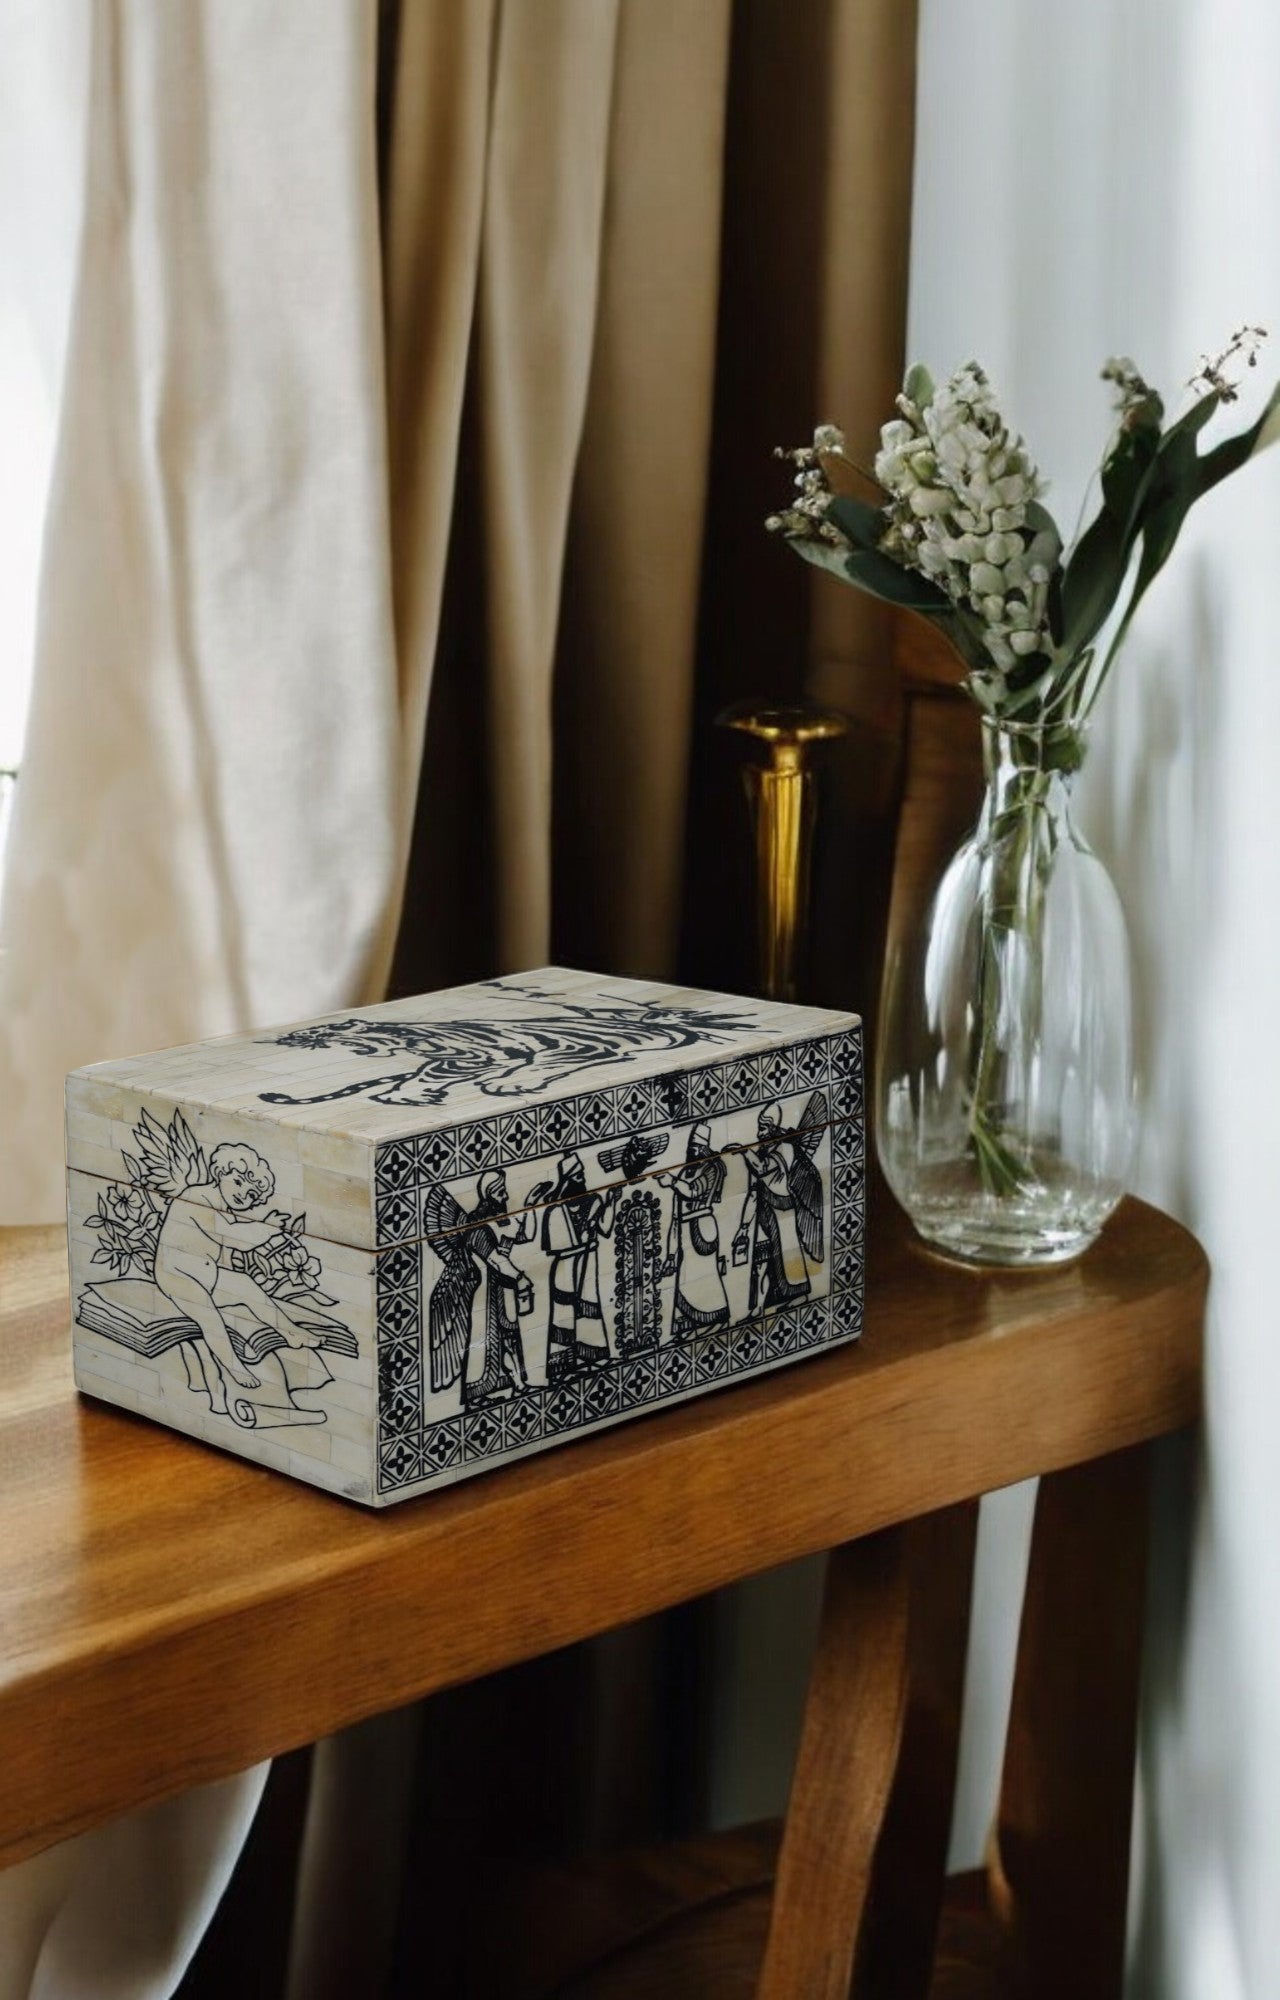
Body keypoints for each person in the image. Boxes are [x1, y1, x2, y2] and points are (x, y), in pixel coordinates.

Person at [154, 1143, 342, 1406]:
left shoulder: (221, 1205)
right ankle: (234, 1366)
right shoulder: (198, 1195)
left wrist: (243, 1257)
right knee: (209, 1316)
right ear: (220, 1172)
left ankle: (289, 1330)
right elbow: (229, 1235)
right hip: (176, 1275)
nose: (244, 1193)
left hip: (206, 1273)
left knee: (248, 1288)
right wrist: (268, 1228)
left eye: (252, 1192)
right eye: (239, 1181)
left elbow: (214, 1248)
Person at [733, 1103, 823, 1312]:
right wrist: (744, 1227)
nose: (758, 1133)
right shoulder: (767, 1148)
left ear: (773, 1128)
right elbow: (755, 1191)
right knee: (772, 1260)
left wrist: (744, 1151)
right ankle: (772, 1302)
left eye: (762, 1128)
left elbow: (763, 1169)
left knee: (787, 1255)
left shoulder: (785, 1147)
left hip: (783, 1212)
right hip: (769, 1212)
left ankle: (798, 1294)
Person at [541, 1152, 616, 1378]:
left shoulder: (593, 1200)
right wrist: (581, 1236)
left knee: (589, 1311)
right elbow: (554, 1246)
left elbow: (605, 1228)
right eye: (578, 1176)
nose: (582, 1180)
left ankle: (592, 1358)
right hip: (565, 1266)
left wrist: (611, 1203)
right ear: (568, 1180)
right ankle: (563, 1366)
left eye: (582, 1175)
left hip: (587, 1262)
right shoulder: (554, 1211)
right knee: (563, 1318)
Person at [662, 1122, 730, 1340]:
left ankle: (715, 1320)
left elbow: (693, 1191)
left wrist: (672, 1181)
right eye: (689, 1148)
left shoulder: (712, 1168)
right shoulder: (686, 1170)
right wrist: (671, 1253)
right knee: (685, 1280)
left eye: (694, 1148)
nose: (690, 1153)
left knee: (706, 1277)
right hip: (683, 1231)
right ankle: (692, 1326)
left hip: (702, 1227)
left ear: (702, 1148)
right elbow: (675, 1213)